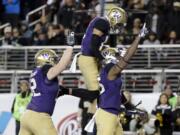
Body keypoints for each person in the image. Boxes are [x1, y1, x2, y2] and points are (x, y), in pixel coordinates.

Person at [90, 23, 148, 135]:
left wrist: (130, 107)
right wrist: (139, 37)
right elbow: (127, 58)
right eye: (117, 56)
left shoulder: (107, 71)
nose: (119, 57)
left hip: (111, 115)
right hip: (106, 115)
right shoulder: (109, 69)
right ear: (110, 57)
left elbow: (117, 94)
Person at [18, 32, 75, 135]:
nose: (55, 62)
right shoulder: (45, 69)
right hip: (39, 117)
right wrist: (70, 47)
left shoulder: (36, 72)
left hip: (27, 116)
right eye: (53, 60)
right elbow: (62, 65)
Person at [78, 7, 127, 92]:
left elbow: (98, 45)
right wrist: (103, 60)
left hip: (92, 57)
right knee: (95, 90)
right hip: (88, 58)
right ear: (114, 18)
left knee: (102, 86)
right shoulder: (103, 23)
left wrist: (115, 52)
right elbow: (93, 45)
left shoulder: (104, 23)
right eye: (119, 24)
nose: (118, 26)